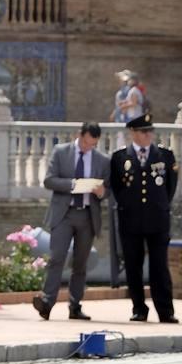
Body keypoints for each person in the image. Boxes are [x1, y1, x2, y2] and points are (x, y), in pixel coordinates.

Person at [34, 122, 111, 321]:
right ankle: (47, 302)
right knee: (57, 257)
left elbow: (109, 190)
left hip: (87, 215)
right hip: (64, 214)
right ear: (79, 135)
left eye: (92, 145)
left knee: (80, 263)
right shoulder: (61, 152)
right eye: (86, 143)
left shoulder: (102, 160)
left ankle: (75, 306)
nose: (88, 148)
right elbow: (49, 180)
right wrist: (73, 185)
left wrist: (102, 192)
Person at [109, 115, 178, 324]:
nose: (148, 135)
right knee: (133, 266)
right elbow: (117, 187)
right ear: (133, 133)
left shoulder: (165, 156)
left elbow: (170, 187)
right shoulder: (120, 157)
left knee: (159, 266)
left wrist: (160, 205)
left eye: (150, 131)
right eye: (143, 132)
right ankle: (139, 308)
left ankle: (165, 310)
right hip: (131, 220)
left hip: (157, 220)